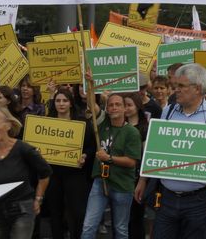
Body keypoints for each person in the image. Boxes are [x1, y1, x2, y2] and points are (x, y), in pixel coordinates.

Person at [134, 63, 206, 238]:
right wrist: (143, 180)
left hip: (199, 202)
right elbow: (156, 147)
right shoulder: (168, 111)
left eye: (181, 86)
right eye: (175, 86)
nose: (176, 90)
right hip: (167, 199)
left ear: (197, 88)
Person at [0, 107, 52, 239]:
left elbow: (45, 173)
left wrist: (38, 199)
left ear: (8, 125)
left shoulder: (24, 149)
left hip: (22, 209)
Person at [80, 93, 142, 239]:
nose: (114, 108)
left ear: (124, 109)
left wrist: (108, 158)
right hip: (100, 182)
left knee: (120, 229)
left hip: (122, 185)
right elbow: (91, 104)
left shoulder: (132, 132)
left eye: (118, 105)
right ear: (107, 108)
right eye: (111, 105)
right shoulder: (102, 123)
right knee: (89, 226)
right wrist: (90, 84)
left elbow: (132, 161)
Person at [46, 88, 96, 239]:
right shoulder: (47, 122)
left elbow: (92, 146)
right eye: (58, 101)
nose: (61, 104)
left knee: (78, 212)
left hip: (75, 173)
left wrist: (85, 156)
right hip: (53, 173)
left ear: (71, 103)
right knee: (55, 211)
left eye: (65, 100)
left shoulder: (82, 122)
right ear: (54, 103)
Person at [124, 92, 149, 239]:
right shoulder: (119, 125)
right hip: (120, 177)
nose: (126, 108)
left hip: (136, 177)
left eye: (129, 105)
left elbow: (146, 155)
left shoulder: (145, 128)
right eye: (124, 105)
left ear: (138, 107)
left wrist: (142, 179)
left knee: (136, 217)